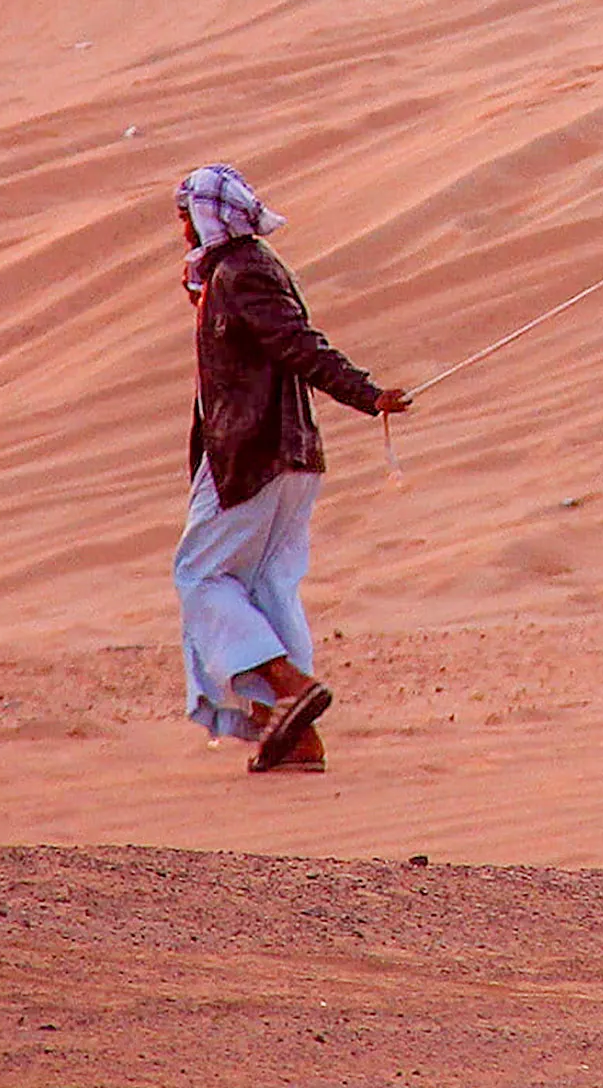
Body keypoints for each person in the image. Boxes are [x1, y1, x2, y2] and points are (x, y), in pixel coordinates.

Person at [171, 163, 409, 774]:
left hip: (252, 455)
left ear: (206, 217)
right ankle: (295, 737)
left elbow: (297, 344)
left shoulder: (240, 274)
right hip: (287, 457)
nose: (180, 231)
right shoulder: (246, 271)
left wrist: (365, 393)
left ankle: (286, 687)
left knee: (202, 577)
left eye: (183, 218)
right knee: (268, 585)